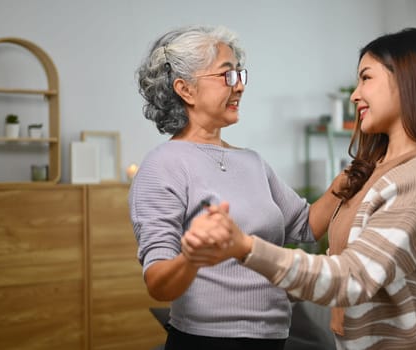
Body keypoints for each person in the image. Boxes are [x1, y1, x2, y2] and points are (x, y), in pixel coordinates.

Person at [182, 27, 416, 350]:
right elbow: (337, 261)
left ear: (407, 81)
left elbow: (352, 278)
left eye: (366, 78)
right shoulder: (369, 170)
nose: (354, 94)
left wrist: (246, 248)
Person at [129, 24, 343, 350]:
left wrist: (347, 181)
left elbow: (305, 225)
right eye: (227, 76)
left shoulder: (252, 162)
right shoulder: (162, 165)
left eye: (241, 75)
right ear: (185, 90)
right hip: (205, 342)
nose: (239, 86)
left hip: (272, 339)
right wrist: (192, 258)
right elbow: (158, 284)